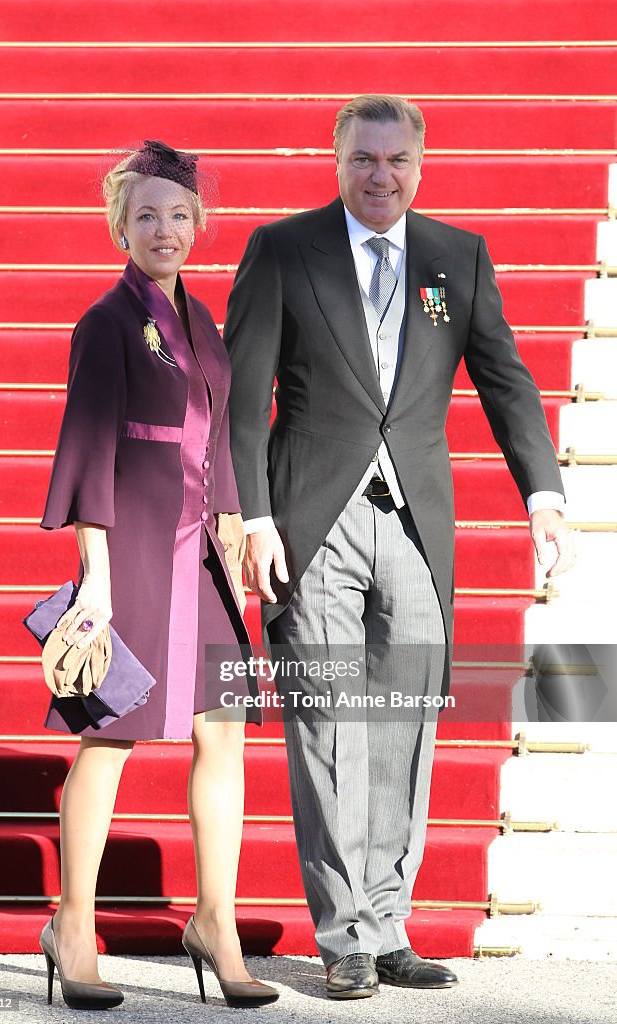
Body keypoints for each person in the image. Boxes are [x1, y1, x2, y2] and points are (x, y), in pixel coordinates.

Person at [224, 95, 576, 1000]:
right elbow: (243, 396)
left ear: (421, 164)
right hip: (310, 519)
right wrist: (251, 514)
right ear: (334, 160)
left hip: (417, 521)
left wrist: (541, 492)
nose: (380, 176)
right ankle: (341, 934)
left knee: (402, 725)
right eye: (362, 159)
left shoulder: (455, 258)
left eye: (396, 161)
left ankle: (385, 927)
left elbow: (503, 377)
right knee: (330, 724)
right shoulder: (282, 248)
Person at [38, 140, 278, 1010]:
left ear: (198, 224)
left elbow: (218, 439)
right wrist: (93, 582)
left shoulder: (203, 321)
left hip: (203, 555)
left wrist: (237, 535)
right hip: (132, 549)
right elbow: (88, 450)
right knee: (108, 734)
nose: (165, 229)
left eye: (179, 214)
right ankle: (72, 926)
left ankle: (215, 919)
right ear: (120, 227)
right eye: (147, 215)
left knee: (225, 732)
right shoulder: (105, 323)